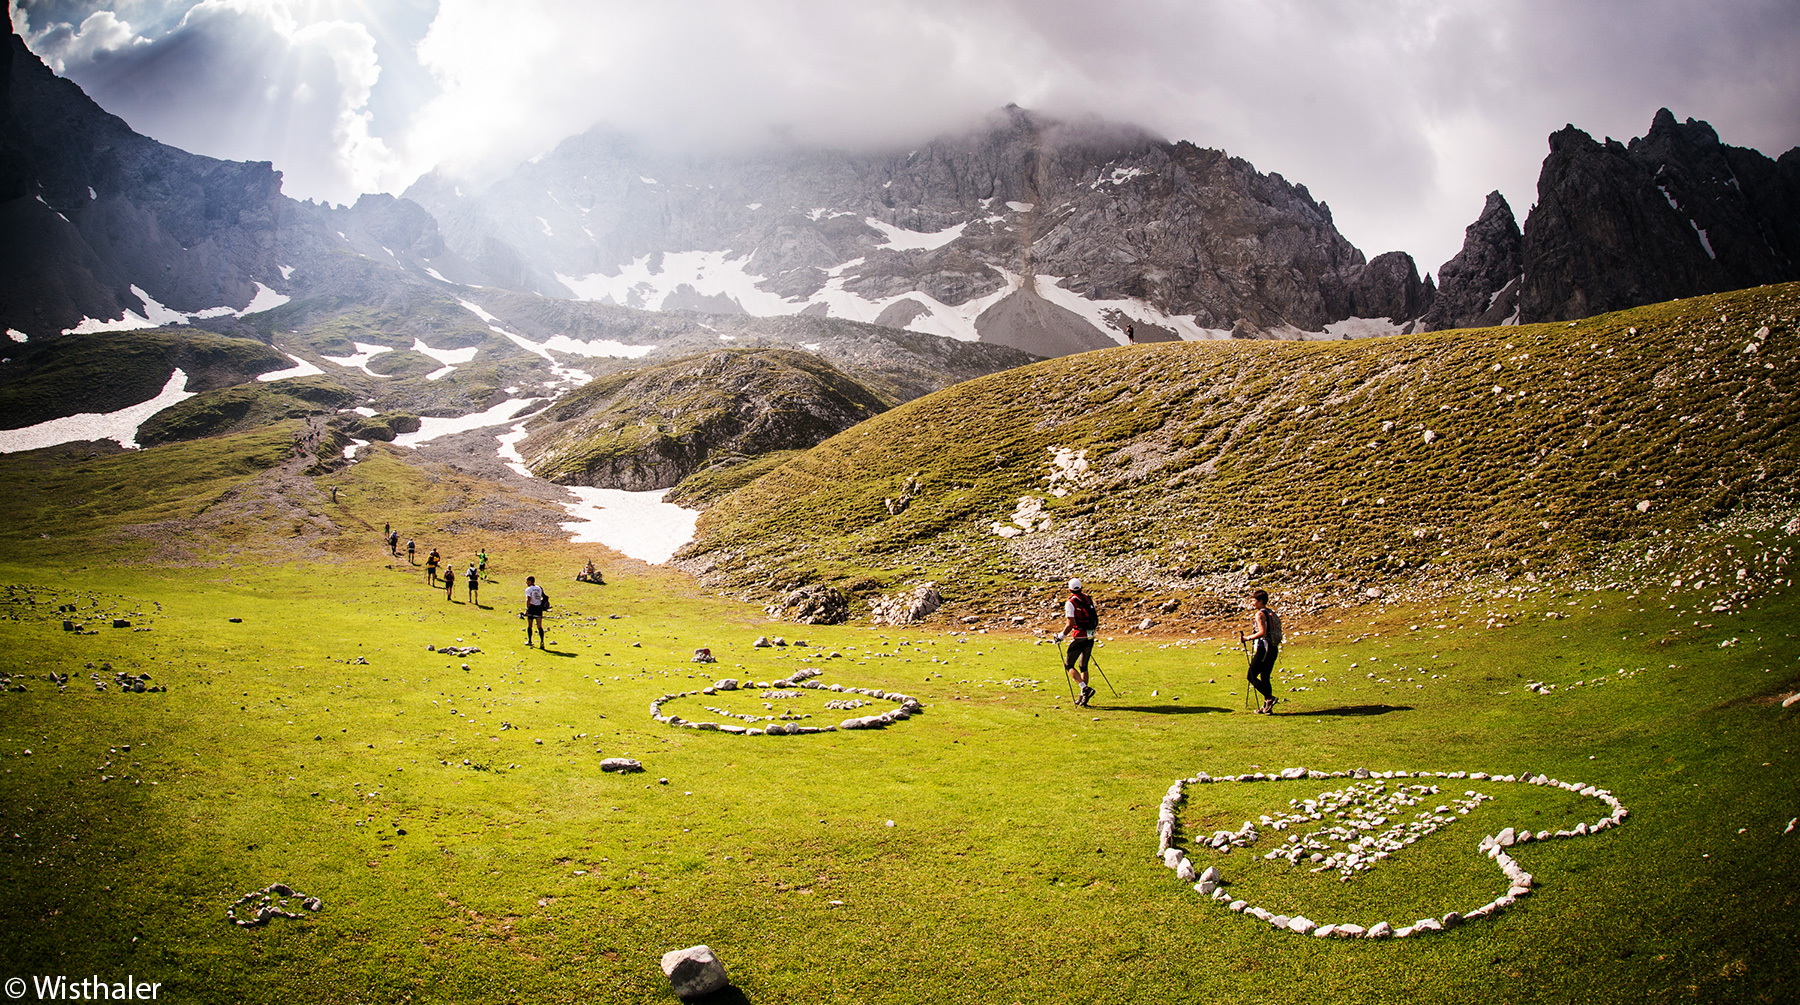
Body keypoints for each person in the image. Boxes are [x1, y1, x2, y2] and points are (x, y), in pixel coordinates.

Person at [1059, 578, 1099, 707]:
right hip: (1090, 635)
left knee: (1069, 665)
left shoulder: (1070, 602)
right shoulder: (1087, 598)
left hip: (1079, 636)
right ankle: (1083, 697)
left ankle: (1084, 688)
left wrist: (1061, 636)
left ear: (1069, 589)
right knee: (1084, 666)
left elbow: (1070, 623)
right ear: (1081, 588)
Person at [1245, 588, 1282, 714]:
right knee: (1265, 676)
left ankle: (1270, 698)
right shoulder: (1271, 612)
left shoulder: (1260, 614)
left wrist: (1248, 638)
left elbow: (1262, 632)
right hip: (1273, 648)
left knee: (1251, 675)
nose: (1252, 603)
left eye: (1254, 601)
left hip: (1264, 648)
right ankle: (1267, 706)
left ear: (1260, 601)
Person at [524, 575, 547, 648]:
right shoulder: (539, 588)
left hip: (532, 607)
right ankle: (542, 642)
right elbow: (543, 597)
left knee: (530, 625)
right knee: (539, 626)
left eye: (527, 581)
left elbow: (528, 599)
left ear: (530, 581)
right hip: (539, 608)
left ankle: (530, 641)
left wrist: (527, 609)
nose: (526, 582)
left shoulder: (528, 589)